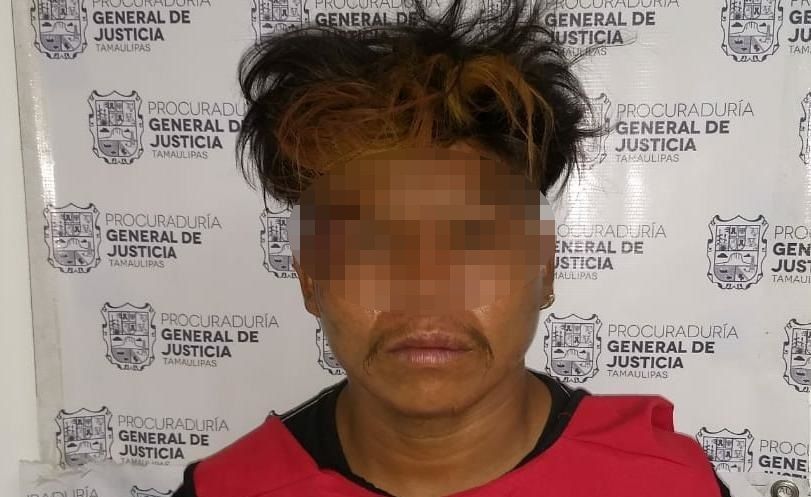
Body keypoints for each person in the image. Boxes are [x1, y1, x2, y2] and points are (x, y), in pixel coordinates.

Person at [171, 0, 732, 495]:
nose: (424, 285)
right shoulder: (227, 489)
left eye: (474, 238)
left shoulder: (667, 484)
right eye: (371, 241)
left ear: (544, 266)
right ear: (309, 276)